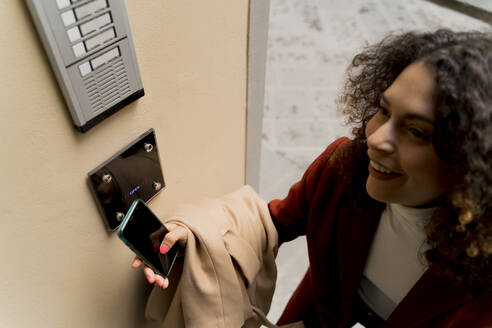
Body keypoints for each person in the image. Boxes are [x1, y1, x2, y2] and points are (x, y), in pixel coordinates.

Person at [132, 29, 492, 327]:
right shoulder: (345, 166)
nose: (376, 138)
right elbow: (273, 221)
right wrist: (195, 238)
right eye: (383, 110)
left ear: (472, 160)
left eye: (415, 131)